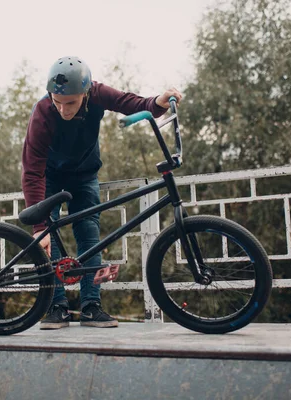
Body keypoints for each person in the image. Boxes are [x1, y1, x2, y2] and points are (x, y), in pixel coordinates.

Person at [21, 56, 182, 330]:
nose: (62, 109)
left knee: (89, 234)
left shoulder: (98, 93)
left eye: (70, 102)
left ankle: (91, 307)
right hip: (50, 176)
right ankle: (56, 307)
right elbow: (32, 170)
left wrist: (159, 102)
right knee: (50, 238)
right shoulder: (43, 112)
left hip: (84, 175)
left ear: (85, 94)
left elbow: (132, 103)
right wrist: (39, 226)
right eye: (57, 101)